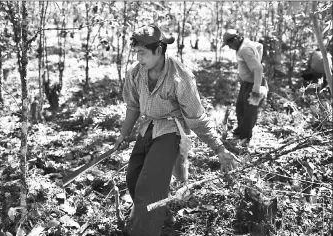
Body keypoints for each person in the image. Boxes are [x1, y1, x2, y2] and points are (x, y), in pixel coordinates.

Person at [114, 24, 240, 236]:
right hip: (148, 128)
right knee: (133, 178)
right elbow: (133, 106)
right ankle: (160, 215)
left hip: (171, 131)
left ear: (159, 50)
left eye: (143, 53)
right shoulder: (135, 73)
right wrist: (122, 135)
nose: (138, 58)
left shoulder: (180, 77)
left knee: (150, 185)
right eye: (136, 53)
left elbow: (197, 117)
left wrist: (219, 149)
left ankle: (143, 231)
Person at [222, 29, 268, 143]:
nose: (230, 47)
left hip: (253, 84)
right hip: (247, 83)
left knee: (249, 111)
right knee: (240, 107)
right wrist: (258, 59)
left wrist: (256, 90)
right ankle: (240, 130)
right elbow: (259, 46)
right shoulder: (244, 44)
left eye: (230, 44)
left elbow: (258, 69)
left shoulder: (245, 49)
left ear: (236, 39)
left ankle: (245, 137)